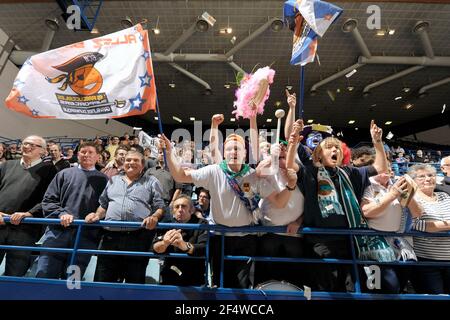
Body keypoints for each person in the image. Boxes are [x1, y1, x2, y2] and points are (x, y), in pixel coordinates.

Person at [161, 132, 297, 289]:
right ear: (224, 152)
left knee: (242, 286)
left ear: (245, 154)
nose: (234, 152)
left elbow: (280, 202)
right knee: (220, 285)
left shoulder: (253, 176)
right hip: (220, 238)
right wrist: (170, 152)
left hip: (246, 239)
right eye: (230, 149)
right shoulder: (213, 171)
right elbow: (180, 176)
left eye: (238, 149)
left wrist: (291, 185)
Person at [288, 119, 391, 292]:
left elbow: (380, 167)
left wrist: (377, 142)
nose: (335, 149)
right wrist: (293, 142)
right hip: (320, 242)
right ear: (319, 155)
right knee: (323, 290)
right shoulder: (310, 171)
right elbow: (290, 165)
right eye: (329, 147)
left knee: (349, 289)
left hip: (349, 241)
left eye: (337, 147)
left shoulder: (349, 173)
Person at [85, 150, 164, 284]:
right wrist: (97, 214)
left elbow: (160, 206)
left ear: (143, 164)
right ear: (123, 163)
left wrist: (154, 217)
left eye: (135, 160)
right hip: (109, 238)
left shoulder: (151, 182)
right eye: (128, 160)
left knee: (134, 282)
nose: (131, 163)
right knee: (103, 280)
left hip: (137, 238)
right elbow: (103, 204)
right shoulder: (113, 180)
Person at [35, 141, 108, 279]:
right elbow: (48, 201)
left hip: (85, 237)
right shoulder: (64, 174)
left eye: (90, 152)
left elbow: (106, 206)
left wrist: (97, 214)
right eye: (83, 152)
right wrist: (61, 214)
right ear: (78, 154)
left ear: (98, 156)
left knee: (72, 281)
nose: (86, 155)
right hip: (57, 234)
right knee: (44, 275)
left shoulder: (104, 180)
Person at [0, 136, 57, 276]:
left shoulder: (50, 171)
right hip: (0, 223)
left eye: (33, 145)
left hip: (25, 229)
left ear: (43, 151)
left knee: (15, 273)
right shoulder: (7, 165)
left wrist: (29, 214)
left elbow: (50, 199)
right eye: (25, 143)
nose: (27, 146)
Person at [361, 169, 423, 293]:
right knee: (379, 287)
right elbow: (367, 212)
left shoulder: (398, 184)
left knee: (401, 282)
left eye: (388, 167)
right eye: (382, 167)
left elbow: (418, 213)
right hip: (373, 243)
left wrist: (407, 195)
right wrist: (392, 195)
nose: (386, 170)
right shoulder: (367, 186)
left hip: (399, 241)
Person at [409, 164, 450, 294]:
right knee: (435, 297)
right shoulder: (412, 199)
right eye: (421, 176)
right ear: (413, 180)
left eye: (431, 175)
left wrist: (434, 226)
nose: (427, 179)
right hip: (427, 261)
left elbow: (429, 226)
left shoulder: (444, 197)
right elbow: (415, 225)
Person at [153, 194, 207, 286]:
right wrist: (165, 243)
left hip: (194, 276)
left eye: (184, 206)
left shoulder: (201, 224)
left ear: (192, 210)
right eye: (177, 207)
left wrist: (184, 246)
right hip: (170, 274)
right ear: (173, 210)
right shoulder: (166, 224)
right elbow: (155, 248)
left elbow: (205, 248)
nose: (180, 210)